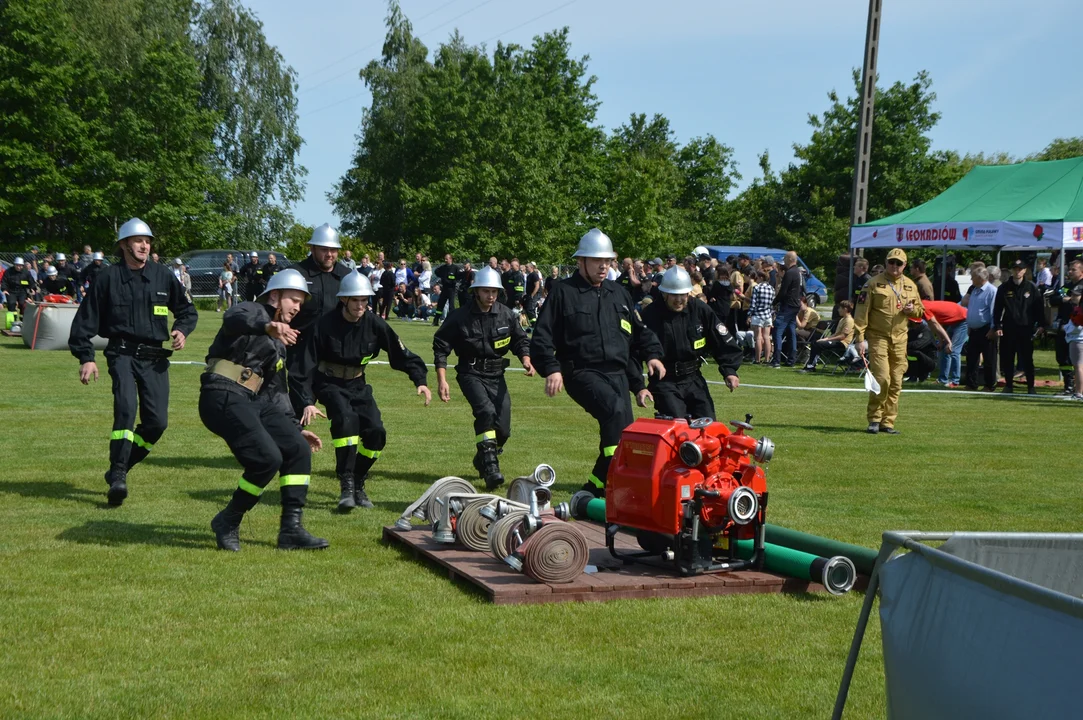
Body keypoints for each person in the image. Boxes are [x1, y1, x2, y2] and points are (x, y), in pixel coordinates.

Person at [68, 218, 198, 505]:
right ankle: (117, 475)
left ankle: (122, 466)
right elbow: (83, 324)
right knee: (126, 410)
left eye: (147, 241)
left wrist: (181, 330)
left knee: (157, 423)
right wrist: (86, 358)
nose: (144, 245)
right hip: (122, 354)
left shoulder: (163, 276)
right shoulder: (108, 279)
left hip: (154, 358)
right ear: (125, 244)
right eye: (138, 240)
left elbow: (188, 312)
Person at [530, 228, 665, 497]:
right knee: (614, 413)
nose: (603, 266)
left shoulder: (619, 293)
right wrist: (552, 368)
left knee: (624, 436)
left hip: (618, 376)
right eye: (596, 260)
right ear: (581, 262)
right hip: (581, 372)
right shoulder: (563, 292)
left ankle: (596, 487)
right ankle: (604, 484)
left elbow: (633, 336)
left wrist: (647, 366)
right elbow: (541, 337)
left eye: (607, 261)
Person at [203, 269, 328, 551]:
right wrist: (267, 327)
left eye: (300, 303)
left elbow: (276, 391)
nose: (297, 307)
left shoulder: (280, 344)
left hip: (253, 400)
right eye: (293, 299)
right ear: (274, 296)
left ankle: (291, 531)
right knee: (267, 459)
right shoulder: (252, 310)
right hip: (220, 392)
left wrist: (294, 429)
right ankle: (228, 520)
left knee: (297, 449)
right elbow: (233, 318)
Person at [295, 271, 431, 511]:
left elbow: (401, 353)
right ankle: (346, 484)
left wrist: (419, 379)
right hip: (328, 383)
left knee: (377, 433)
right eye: (355, 300)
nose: (360, 305)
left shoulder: (374, 323)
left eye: (364, 300)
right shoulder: (323, 325)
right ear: (343, 300)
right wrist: (307, 400)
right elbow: (304, 366)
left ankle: (358, 480)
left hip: (358, 385)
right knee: (346, 421)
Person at [433, 266, 534, 489]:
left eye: (494, 292)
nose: (490, 296)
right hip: (470, 373)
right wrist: (442, 380)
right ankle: (491, 469)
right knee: (486, 412)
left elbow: (520, 340)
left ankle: (481, 457)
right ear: (476, 291)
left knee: (503, 430)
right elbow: (441, 347)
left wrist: (526, 358)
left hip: (497, 375)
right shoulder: (459, 317)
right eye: (486, 291)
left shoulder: (506, 313)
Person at [633, 266, 741, 420]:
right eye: (674, 295)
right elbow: (633, 352)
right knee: (679, 426)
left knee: (708, 425)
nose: (678, 300)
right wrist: (639, 386)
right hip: (664, 382)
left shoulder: (700, 310)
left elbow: (722, 340)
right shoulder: (649, 316)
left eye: (683, 295)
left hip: (694, 379)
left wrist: (729, 371)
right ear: (664, 294)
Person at [854, 247, 924, 434]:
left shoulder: (910, 285)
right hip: (878, 337)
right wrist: (859, 338)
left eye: (898, 263)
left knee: (896, 381)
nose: (894, 266)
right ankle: (875, 418)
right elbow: (861, 313)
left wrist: (912, 310)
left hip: (901, 338)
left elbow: (920, 310)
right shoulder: (873, 284)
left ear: (904, 265)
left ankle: (888, 422)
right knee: (882, 378)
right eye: (891, 262)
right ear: (886, 263)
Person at [287, 224, 351, 411]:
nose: (329, 254)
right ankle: (293, 439)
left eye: (333, 250)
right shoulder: (295, 274)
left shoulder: (347, 277)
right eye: (324, 249)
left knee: (343, 410)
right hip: (301, 351)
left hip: (335, 353)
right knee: (298, 408)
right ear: (312, 248)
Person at [992, 259, 1046, 394]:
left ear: (1024, 270)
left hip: (1026, 329)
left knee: (1027, 359)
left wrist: (1041, 324)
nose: (1017, 271)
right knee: (1008, 358)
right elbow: (997, 309)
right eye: (1015, 269)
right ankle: (1008, 385)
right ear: (1012, 270)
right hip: (1009, 329)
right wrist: (997, 325)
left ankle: (1031, 387)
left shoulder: (1031, 287)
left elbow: (1039, 308)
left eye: (1020, 269)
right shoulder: (1004, 288)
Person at [1049, 259, 1083, 394]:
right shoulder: (1067, 286)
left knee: (1077, 359)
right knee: (1062, 356)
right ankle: (1068, 385)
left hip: (1078, 327)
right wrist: (1064, 299)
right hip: (1064, 325)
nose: (1069, 272)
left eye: (1073, 269)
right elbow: (1053, 299)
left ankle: (1078, 388)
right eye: (1069, 269)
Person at [962, 266, 998, 392]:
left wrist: (993, 329)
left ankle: (989, 385)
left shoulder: (992, 291)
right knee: (971, 357)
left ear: (980, 278)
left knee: (989, 359)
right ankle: (971, 384)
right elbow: (971, 308)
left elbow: (995, 311)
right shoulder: (974, 290)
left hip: (986, 328)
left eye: (973, 277)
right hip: (973, 329)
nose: (971, 279)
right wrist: (969, 326)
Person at [920, 299, 967, 387]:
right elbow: (932, 325)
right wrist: (941, 340)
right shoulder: (921, 305)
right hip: (954, 322)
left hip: (963, 320)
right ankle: (943, 379)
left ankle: (955, 381)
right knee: (944, 350)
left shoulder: (923, 308)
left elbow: (936, 324)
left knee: (953, 350)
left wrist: (948, 342)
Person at [802, 300, 855, 372]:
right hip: (837, 341)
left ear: (845, 309)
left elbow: (842, 336)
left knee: (818, 344)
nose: (838, 310)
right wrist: (826, 338)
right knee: (815, 342)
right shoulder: (842, 319)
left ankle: (811, 366)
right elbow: (836, 334)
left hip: (843, 343)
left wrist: (827, 340)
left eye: (840, 308)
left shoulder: (849, 321)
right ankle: (810, 365)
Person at [772, 251, 802, 367]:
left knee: (777, 331)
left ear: (790, 259)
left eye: (785, 258)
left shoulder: (790, 273)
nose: (783, 260)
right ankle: (791, 360)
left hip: (787, 305)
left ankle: (776, 360)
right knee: (791, 332)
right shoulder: (797, 272)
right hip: (795, 305)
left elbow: (783, 291)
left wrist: (774, 302)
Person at [748, 270, 775, 364]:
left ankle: (757, 359)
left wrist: (749, 314)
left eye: (758, 278)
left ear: (761, 278)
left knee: (758, 338)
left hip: (758, 315)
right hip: (768, 315)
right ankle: (767, 359)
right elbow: (773, 304)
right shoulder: (771, 288)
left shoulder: (757, 288)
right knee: (767, 337)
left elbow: (753, 303)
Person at [432, 254, 460, 326]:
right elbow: (436, 271)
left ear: (451, 259)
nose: (445, 260)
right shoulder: (443, 268)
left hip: (451, 289)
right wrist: (442, 276)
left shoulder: (455, 268)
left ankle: (452, 321)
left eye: (447, 259)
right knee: (440, 305)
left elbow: (459, 277)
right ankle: (436, 321)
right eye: (445, 259)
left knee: (451, 306)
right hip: (444, 289)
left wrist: (453, 280)